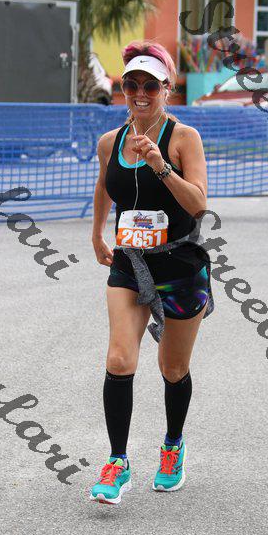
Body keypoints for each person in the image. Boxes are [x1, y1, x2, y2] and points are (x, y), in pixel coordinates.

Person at [90, 40, 214, 505]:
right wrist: (97, 234)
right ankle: (117, 462)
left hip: (179, 264)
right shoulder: (110, 142)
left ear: (167, 88)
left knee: (172, 367)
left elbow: (198, 204)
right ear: (123, 89)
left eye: (151, 85)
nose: (140, 93)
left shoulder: (184, 138)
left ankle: (172, 447)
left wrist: (160, 165)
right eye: (132, 84)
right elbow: (105, 185)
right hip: (130, 261)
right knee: (120, 359)